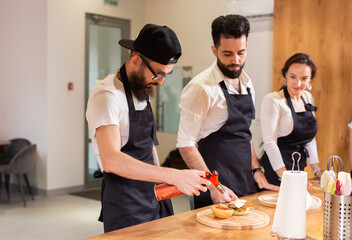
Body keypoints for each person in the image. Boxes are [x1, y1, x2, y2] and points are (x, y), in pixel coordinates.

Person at [86, 24, 210, 232]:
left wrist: (161, 185)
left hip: (153, 194)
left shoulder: (141, 88)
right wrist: (173, 175)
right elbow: (111, 160)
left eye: (166, 75)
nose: (161, 82)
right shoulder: (107, 96)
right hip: (125, 202)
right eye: (158, 74)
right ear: (136, 60)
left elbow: (148, 144)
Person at [177, 15, 279, 209]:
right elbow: (186, 145)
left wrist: (256, 170)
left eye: (241, 52)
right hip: (216, 184)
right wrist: (214, 186)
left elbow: (244, 133)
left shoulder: (247, 83)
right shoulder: (200, 87)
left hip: (246, 180)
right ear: (214, 50)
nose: (236, 61)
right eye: (227, 54)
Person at [259, 53, 323, 186]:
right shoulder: (273, 100)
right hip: (275, 171)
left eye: (304, 78)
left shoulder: (307, 98)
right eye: (293, 77)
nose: (298, 83)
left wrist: (318, 171)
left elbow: (309, 139)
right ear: (285, 75)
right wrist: (285, 175)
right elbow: (270, 142)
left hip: (298, 168)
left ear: (310, 79)